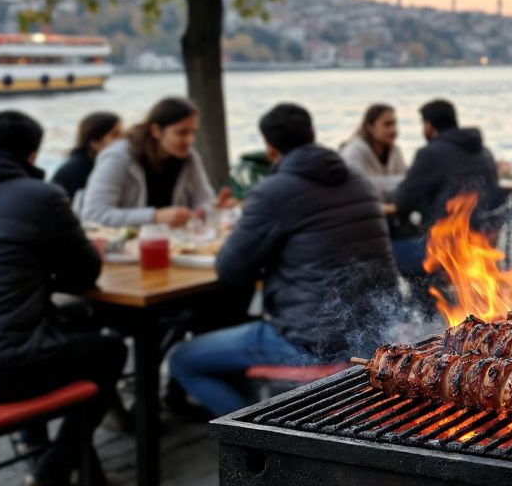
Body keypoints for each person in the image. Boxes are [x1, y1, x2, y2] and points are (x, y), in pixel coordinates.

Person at [168, 104, 399, 417]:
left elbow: (229, 269)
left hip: (310, 341)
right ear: (312, 135)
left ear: (270, 148)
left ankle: (251, 432)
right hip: (375, 332)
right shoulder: (358, 179)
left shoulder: (271, 192)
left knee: (183, 359)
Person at [0, 112, 125, 485]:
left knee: (65, 324)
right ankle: (52, 470)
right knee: (110, 350)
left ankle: (38, 445)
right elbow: (82, 275)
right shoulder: (40, 196)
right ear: (33, 155)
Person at [391, 99, 504, 275]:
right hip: (485, 242)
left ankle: (424, 301)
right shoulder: (484, 150)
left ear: (428, 125)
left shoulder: (431, 153)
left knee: (393, 249)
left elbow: (403, 201)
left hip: (445, 247)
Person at [80, 96, 221, 228]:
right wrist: (155, 217)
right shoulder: (118, 157)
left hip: (175, 244)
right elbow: (93, 214)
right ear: (156, 131)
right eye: (181, 132)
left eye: (193, 132)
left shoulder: (189, 158)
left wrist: (214, 208)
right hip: (121, 248)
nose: (190, 140)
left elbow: (204, 201)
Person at [339, 103, 408, 200]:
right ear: (370, 127)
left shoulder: (394, 151)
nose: (393, 130)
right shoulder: (353, 151)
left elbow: (407, 184)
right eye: (387, 125)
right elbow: (353, 187)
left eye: (394, 124)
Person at [50, 111, 122, 201]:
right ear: (95, 142)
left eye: (123, 133)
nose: (123, 138)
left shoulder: (99, 163)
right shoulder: (77, 170)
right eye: (115, 135)